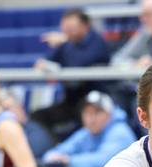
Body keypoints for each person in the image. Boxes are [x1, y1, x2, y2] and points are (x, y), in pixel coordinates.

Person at [32, 8, 111, 141]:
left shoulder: (97, 42)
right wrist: (43, 64)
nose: (67, 32)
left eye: (71, 28)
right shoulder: (67, 44)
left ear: (85, 26)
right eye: (65, 28)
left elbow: (80, 63)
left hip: (93, 103)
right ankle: (55, 150)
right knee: (38, 116)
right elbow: (49, 60)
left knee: (85, 118)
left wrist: (64, 40)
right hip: (71, 102)